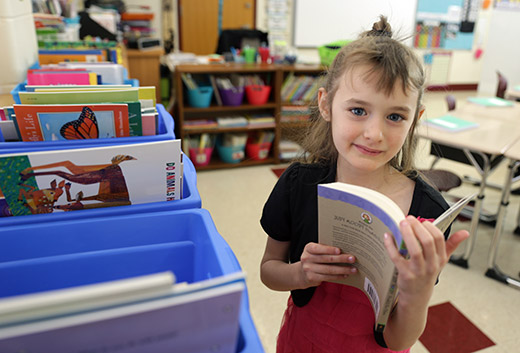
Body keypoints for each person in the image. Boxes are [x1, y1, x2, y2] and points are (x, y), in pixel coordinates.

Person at [260, 16, 470, 353]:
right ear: (326, 104)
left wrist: (418, 293)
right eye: (358, 110)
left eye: (395, 116)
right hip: (304, 339)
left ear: (414, 119)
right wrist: (301, 274)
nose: (375, 133)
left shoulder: (428, 214)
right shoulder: (298, 184)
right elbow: (269, 269)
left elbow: (400, 339)